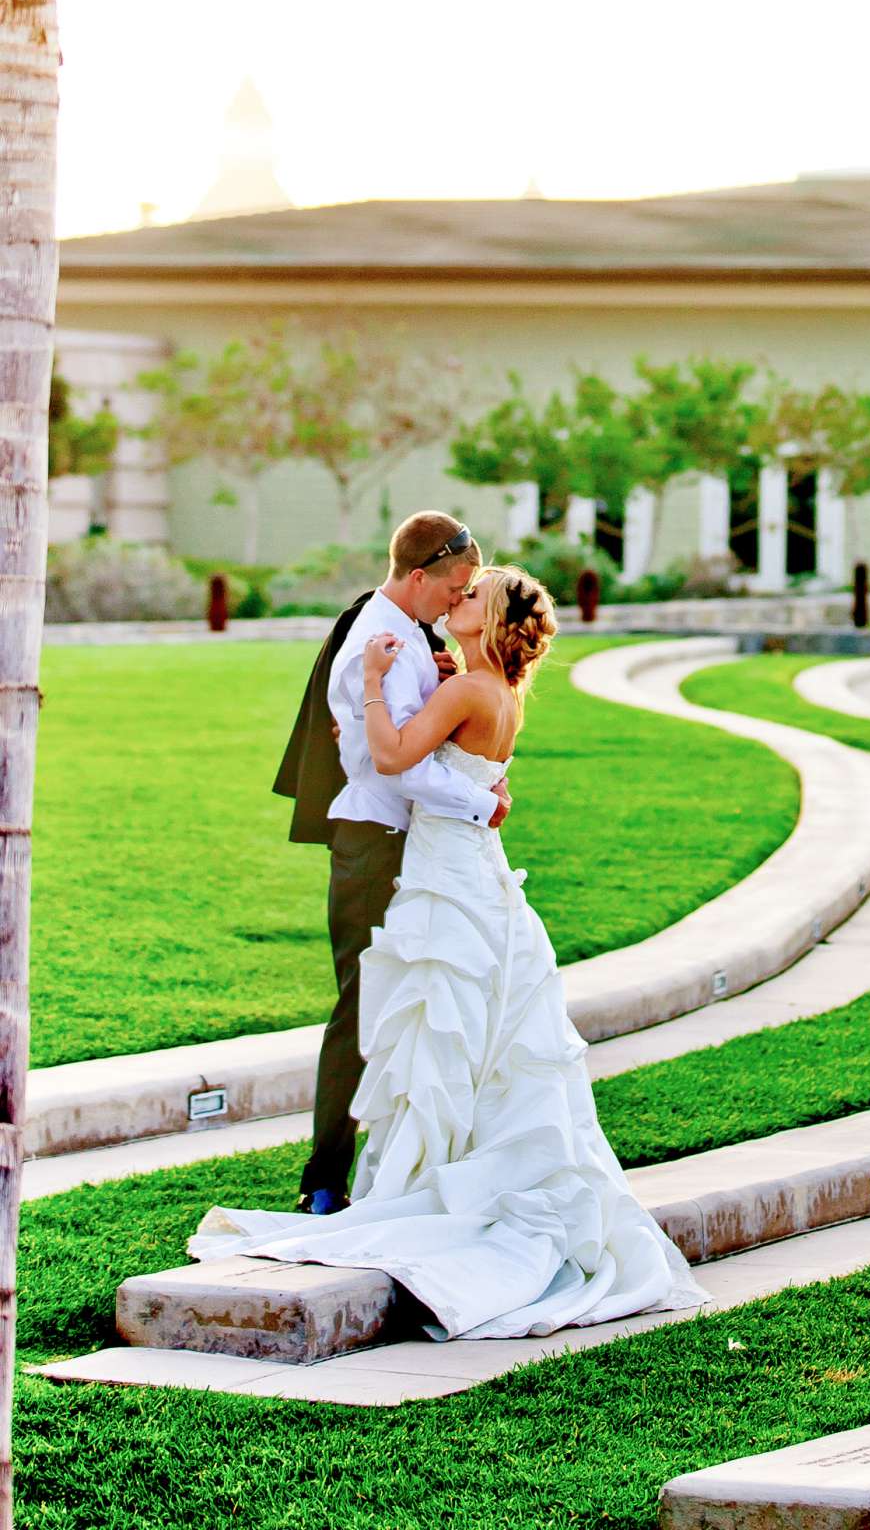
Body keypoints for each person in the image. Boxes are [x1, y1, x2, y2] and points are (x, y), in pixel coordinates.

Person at [192, 562, 703, 1341]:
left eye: (473, 596)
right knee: (480, 1028)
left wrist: (369, 690)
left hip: (447, 873)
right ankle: (463, 1168)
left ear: (491, 620)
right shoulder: (493, 692)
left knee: (442, 1021)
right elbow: (469, 765)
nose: (457, 600)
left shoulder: (466, 690)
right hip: (474, 869)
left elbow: (395, 758)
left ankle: (434, 1180)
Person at [271, 511, 511, 1215]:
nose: (459, 598)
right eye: (457, 586)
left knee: (424, 1005)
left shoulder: (411, 637)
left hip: (416, 845)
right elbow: (398, 765)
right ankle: (324, 1179)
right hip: (375, 845)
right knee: (363, 1006)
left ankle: (411, 1163)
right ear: (418, 576)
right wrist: (478, 802)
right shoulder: (376, 643)